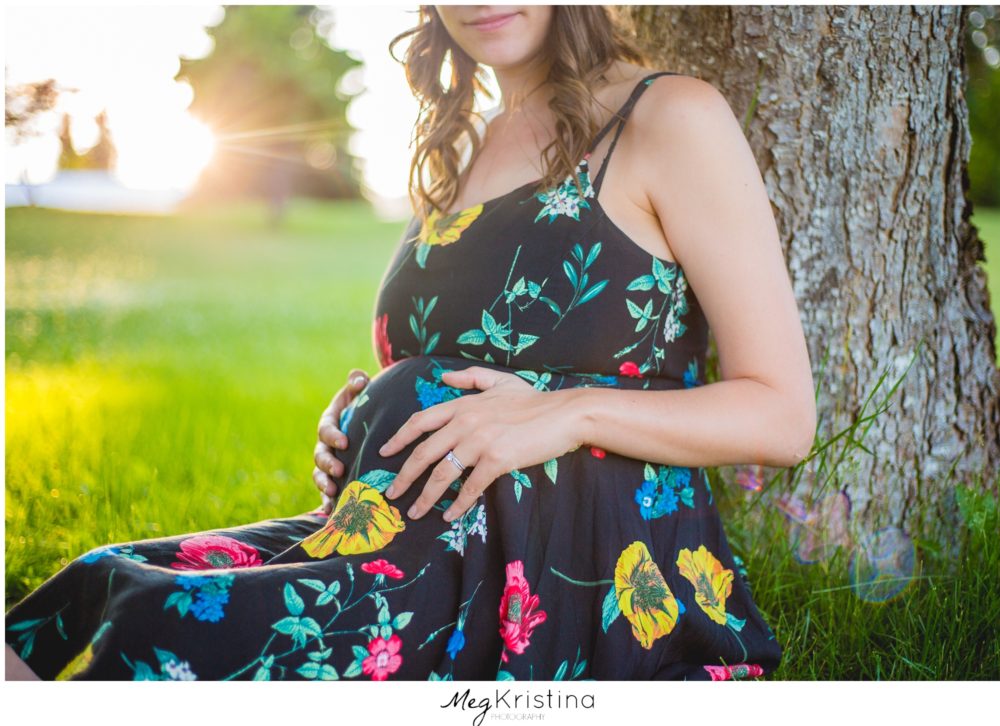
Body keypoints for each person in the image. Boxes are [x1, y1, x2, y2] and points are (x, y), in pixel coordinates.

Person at [5, 5, 815, 681]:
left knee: (162, 629)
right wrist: (360, 429)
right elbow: (440, 368)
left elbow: (782, 416)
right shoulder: (457, 144)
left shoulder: (669, 117)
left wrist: (568, 412)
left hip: (564, 567)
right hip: (398, 530)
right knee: (98, 580)